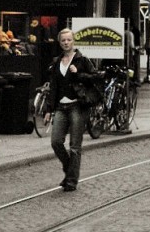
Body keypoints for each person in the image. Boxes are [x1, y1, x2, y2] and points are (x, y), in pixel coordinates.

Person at [44, 28, 98, 192]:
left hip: (77, 106)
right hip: (61, 106)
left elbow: (95, 78)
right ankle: (70, 171)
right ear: (60, 43)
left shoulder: (82, 60)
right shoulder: (56, 62)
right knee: (56, 142)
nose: (66, 43)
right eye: (63, 40)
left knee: (75, 145)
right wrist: (48, 110)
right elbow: (53, 87)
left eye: (68, 40)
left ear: (73, 41)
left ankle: (71, 181)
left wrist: (79, 73)